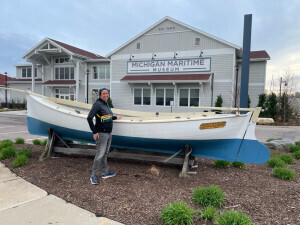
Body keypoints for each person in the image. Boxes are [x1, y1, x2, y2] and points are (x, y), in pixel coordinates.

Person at [87, 87, 121, 185]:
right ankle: (93, 175)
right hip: (101, 133)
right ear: (100, 95)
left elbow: (106, 117)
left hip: (108, 133)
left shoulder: (106, 104)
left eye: (107, 93)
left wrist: (115, 117)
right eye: (104, 94)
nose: (106, 95)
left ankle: (105, 172)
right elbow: (89, 118)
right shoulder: (97, 104)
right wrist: (94, 132)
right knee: (99, 155)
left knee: (105, 153)